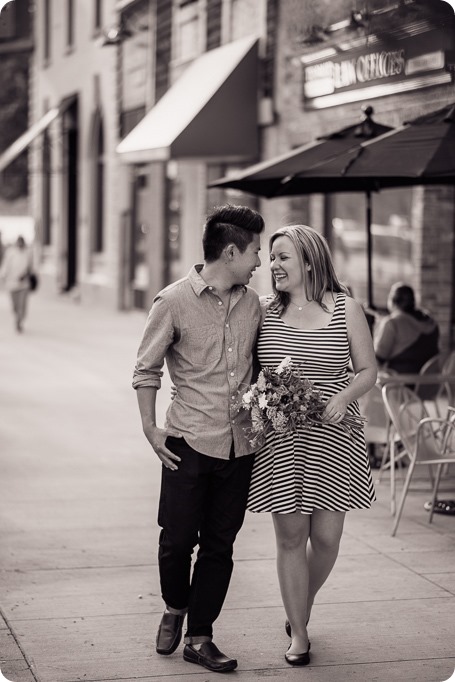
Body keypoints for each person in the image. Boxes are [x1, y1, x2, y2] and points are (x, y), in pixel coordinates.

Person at [132, 204, 264, 673]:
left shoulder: (254, 304)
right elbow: (145, 369)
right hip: (187, 442)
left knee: (220, 546)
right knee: (176, 540)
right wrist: (151, 428)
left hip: (240, 446)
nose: (260, 262)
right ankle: (174, 606)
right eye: (255, 252)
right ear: (230, 251)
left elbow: (265, 365)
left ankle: (201, 636)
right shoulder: (172, 302)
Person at [247, 224, 377, 666]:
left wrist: (343, 397)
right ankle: (299, 633)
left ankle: (299, 603)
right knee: (290, 537)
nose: (272, 265)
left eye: (282, 257)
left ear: (308, 260)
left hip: (334, 437)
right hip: (280, 438)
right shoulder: (262, 309)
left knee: (325, 538)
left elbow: (366, 371)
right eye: (270, 256)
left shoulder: (346, 307)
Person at [374, 282, 439, 374]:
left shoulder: (392, 323)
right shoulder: (431, 321)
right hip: (430, 385)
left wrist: (378, 330)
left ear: (392, 301)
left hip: (399, 384)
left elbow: (377, 361)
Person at [0, 235, 33, 332]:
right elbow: (5, 266)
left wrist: (27, 275)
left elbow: (31, 267)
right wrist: (3, 276)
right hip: (12, 283)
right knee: (15, 305)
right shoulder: (11, 253)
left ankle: (19, 320)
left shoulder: (28, 253)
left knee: (22, 305)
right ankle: (17, 317)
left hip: (24, 284)